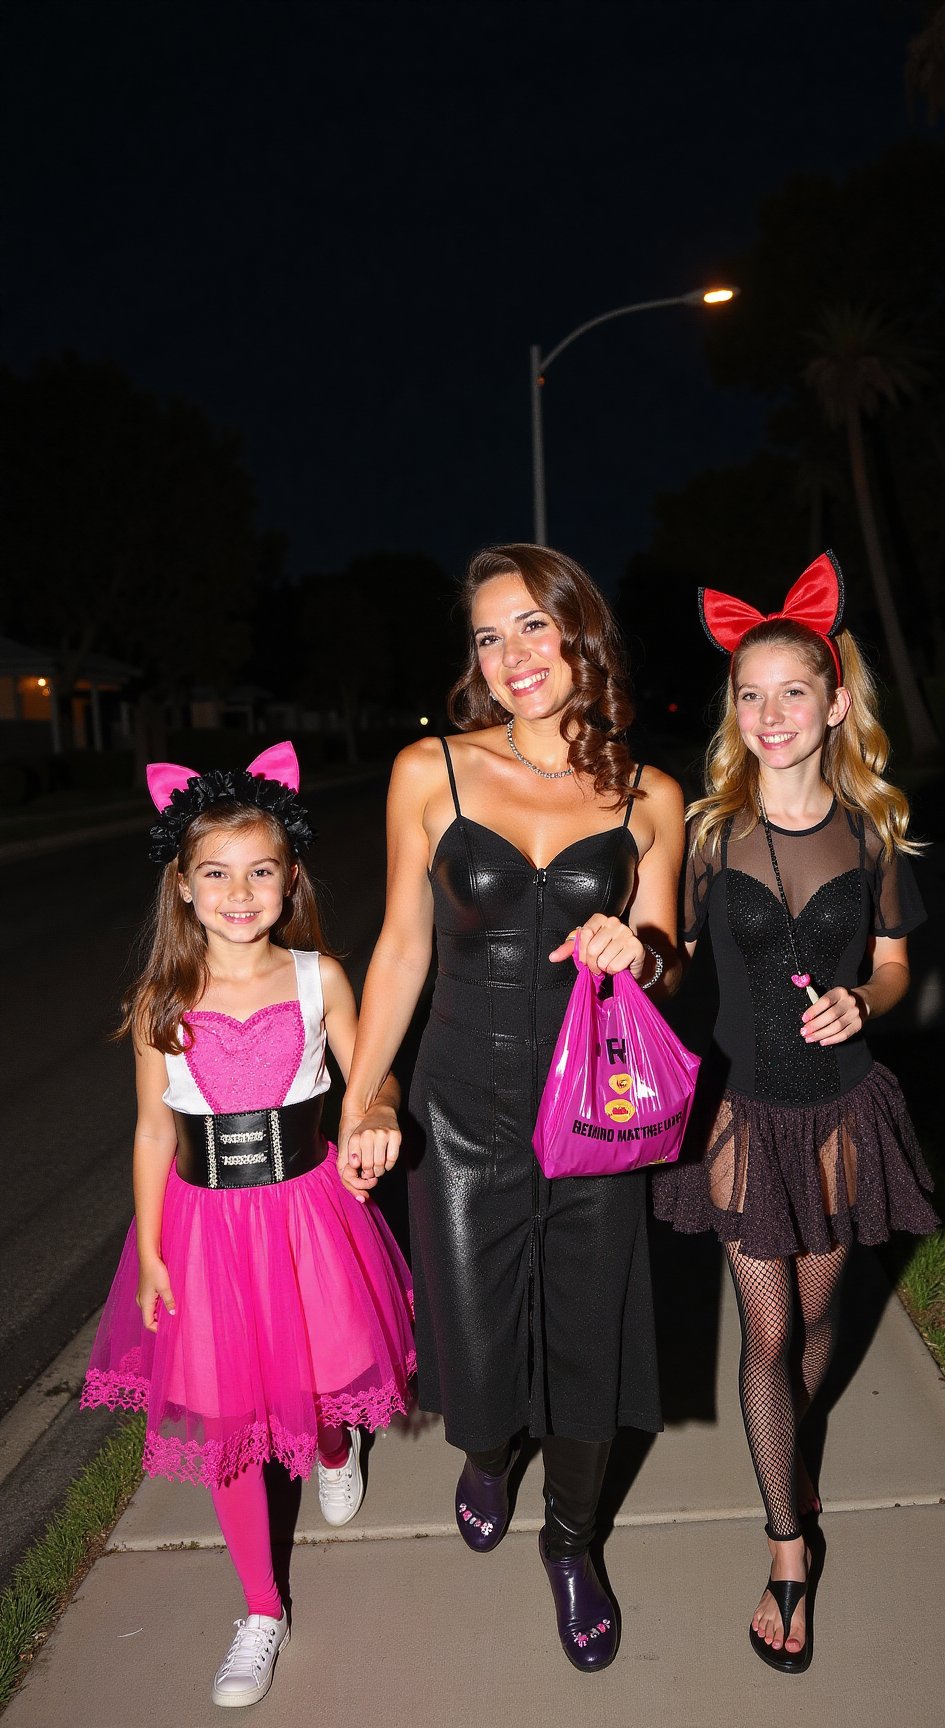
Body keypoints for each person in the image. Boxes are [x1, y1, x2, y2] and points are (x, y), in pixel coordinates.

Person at [340, 544, 684, 1672]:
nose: (512, 656)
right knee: (475, 1354)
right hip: (463, 1110)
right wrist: (364, 1094)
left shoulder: (652, 797)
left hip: (596, 1110)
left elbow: (670, 961)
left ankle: (574, 1542)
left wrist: (646, 948)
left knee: (590, 1342)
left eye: (532, 626)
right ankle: (486, 1453)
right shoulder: (428, 771)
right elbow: (398, 949)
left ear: (580, 630)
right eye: (489, 636)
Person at [82, 742, 416, 1710]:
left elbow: (372, 1076)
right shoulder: (162, 1003)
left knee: (310, 1377)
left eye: (260, 872)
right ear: (183, 888)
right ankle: (261, 1606)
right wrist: (147, 1250)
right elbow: (152, 1132)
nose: (239, 893)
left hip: (309, 1214)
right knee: (231, 1421)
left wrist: (380, 1113)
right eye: (216, 875)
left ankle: (333, 1447)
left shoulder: (321, 979)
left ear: (290, 879)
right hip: (204, 1230)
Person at [654, 553, 938, 1675]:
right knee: (765, 1333)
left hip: (835, 1114)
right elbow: (675, 963)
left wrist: (863, 998)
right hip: (740, 1110)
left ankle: (792, 1448)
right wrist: (640, 959)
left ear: (833, 706)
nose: (770, 715)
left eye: (792, 694)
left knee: (818, 1325)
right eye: (749, 694)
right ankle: (786, 1547)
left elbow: (900, 967)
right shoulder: (712, 834)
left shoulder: (870, 836)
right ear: (735, 711)